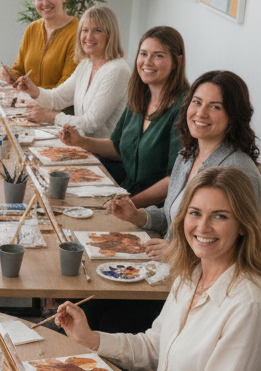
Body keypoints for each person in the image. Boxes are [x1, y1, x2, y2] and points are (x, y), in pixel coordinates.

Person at [54, 167, 261, 371]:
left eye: (220, 216)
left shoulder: (248, 303)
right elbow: (154, 346)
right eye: (195, 213)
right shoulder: (191, 274)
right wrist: (90, 338)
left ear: (243, 225)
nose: (203, 227)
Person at [107, 69, 261, 256]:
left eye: (215, 107)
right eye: (197, 102)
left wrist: (177, 252)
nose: (201, 113)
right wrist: (137, 215)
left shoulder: (239, 170)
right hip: (168, 261)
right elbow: (171, 217)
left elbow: (248, 246)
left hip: (196, 270)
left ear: (233, 117)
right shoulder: (187, 155)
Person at [59, 25, 188, 205]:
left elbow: (174, 179)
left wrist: (130, 205)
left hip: (155, 208)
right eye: (143, 54)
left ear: (177, 62)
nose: (147, 62)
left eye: (158, 56)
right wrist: (80, 141)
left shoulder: (184, 109)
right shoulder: (140, 96)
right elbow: (117, 148)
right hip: (124, 192)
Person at [14, 4, 131, 138]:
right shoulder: (86, 65)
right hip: (81, 144)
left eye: (97, 31)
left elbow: (91, 123)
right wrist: (33, 90)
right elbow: (57, 99)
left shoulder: (117, 70)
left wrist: (52, 117)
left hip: (102, 150)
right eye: (85, 30)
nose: (89, 37)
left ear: (110, 35)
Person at [0, 0, 78, 89]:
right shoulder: (32, 29)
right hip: (29, 98)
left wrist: (36, 94)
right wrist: (10, 75)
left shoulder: (78, 31)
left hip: (57, 101)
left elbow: (67, 86)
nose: (45, 3)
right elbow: (19, 68)